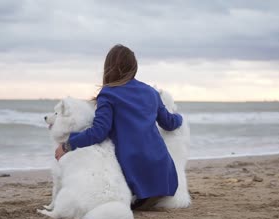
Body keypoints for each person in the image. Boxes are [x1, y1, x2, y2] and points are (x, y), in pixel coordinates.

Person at [55, 44, 183, 209]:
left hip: (135, 176)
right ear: (134, 67)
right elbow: (169, 122)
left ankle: (139, 196)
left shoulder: (108, 94)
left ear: (108, 67)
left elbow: (98, 132)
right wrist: (179, 118)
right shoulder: (150, 92)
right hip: (164, 174)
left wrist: (67, 145)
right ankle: (151, 195)